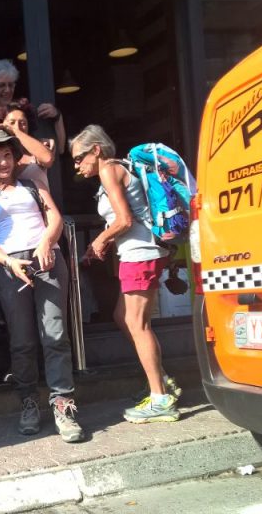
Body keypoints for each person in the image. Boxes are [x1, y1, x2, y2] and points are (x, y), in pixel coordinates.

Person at [0, 128, 84, 443]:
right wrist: (9, 262)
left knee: (55, 335)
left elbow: (55, 218)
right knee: (22, 341)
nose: (3, 162)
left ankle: (63, 405)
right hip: (10, 267)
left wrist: (47, 242)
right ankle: (28, 402)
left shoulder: (33, 185)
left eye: (7, 155)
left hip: (47, 259)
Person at [69, 125, 182, 424]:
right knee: (123, 317)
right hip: (140, 254)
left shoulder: (109, 170)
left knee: (136, 323)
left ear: (96, 150)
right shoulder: (118, 168)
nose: (77, 166)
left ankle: (161, 398)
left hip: (140, 254)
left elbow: (124, 220)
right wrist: (102, 243)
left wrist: (99, 240)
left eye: (79, 158)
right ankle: (161, 380)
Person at [0, 59, 67, 155]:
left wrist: (57, 116)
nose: (7, 90)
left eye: (11, 85)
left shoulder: (27, 113)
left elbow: (60, 149)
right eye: (1, 85)